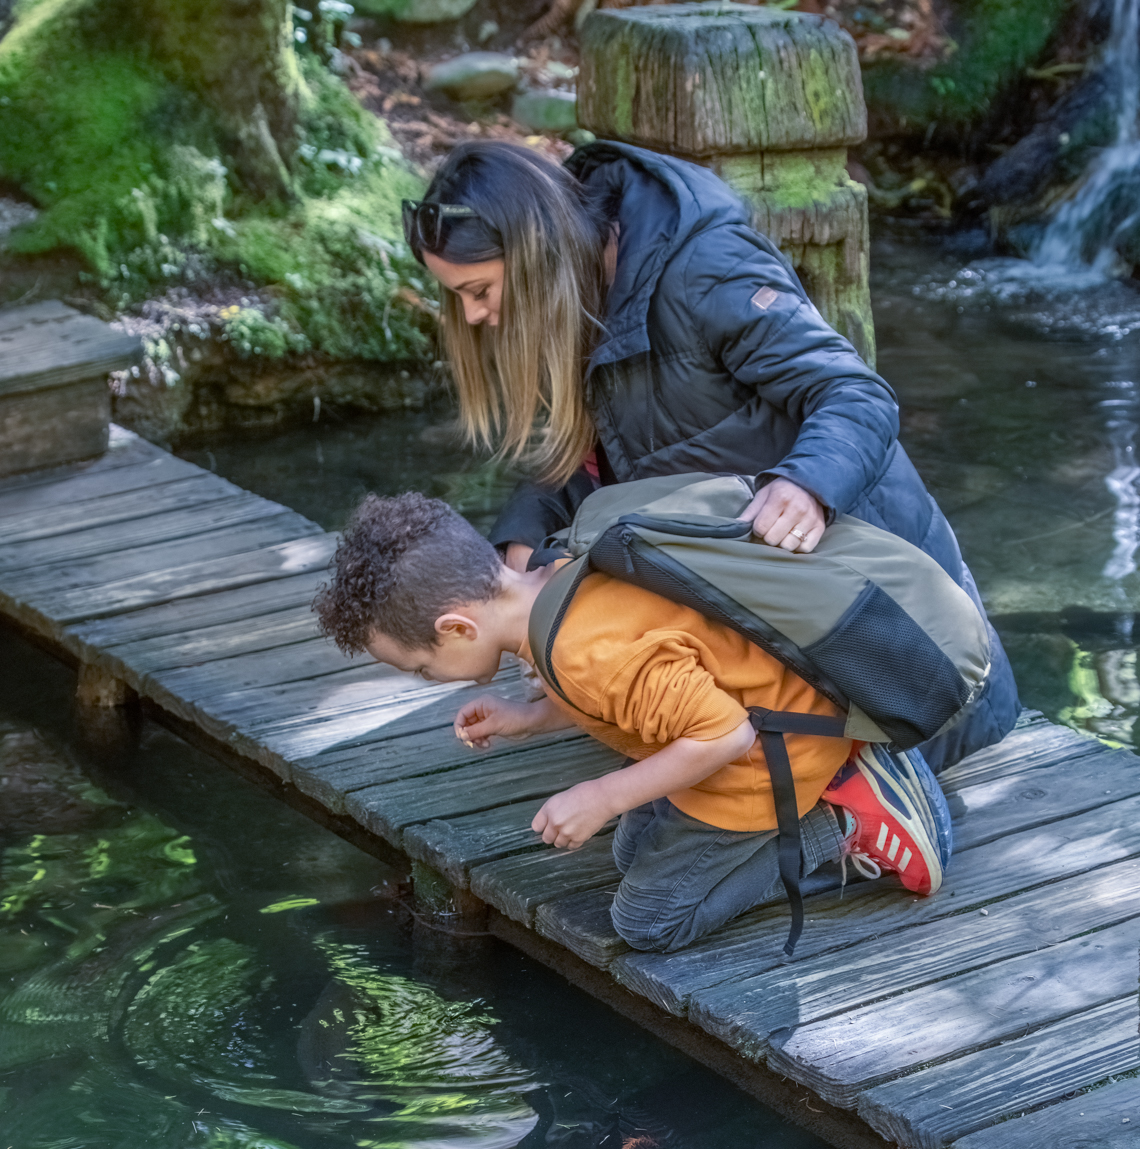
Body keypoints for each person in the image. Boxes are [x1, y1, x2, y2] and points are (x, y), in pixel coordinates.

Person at [400, 140, 1019, 775]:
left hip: (894, 641)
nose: (472, 315)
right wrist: (523, 542)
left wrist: (805, 485)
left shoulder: (704, 268)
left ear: (536, 254)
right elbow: (584, 451)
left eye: (479, 289)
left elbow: (854, 392)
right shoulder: (575, 286)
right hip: (776, 638)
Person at [313, 492, 952, 953]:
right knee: (628, 851)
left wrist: (602, 795)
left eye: (423, 667)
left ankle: (839, 824)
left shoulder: (587, 653)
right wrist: (528, 718)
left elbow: (724, 734)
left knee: (647, 923)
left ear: (456, 627)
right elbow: (617, 697)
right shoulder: (557, 578)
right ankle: (824, 797)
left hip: (767, 756)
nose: (430, 678)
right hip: (756, 720)